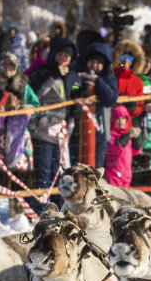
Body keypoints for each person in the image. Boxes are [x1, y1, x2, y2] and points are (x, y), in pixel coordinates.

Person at [28, 36, 82, 195]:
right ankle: (38, 209)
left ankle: (52, 208)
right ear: (54, 55)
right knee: (43, 174)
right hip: (42, 129)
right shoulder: (43, 71)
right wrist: (54, 76)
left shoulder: (73, 76)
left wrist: (76, 109)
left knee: (57, 174)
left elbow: (76, 94)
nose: (63, 59)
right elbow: (35, 94)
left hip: (62, 132)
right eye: (60, 55)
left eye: (66, 56)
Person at [77, 41, 119, 169]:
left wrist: (97, 81)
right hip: (78, 129)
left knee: (96, 168)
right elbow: (71, 90)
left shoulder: (109, 78)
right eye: (92, 62)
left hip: (100, 129)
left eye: (98, 63)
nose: (94, 66)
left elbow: (110, 99)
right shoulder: (78, 75)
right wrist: (80, 83)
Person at [104, 105, 140, 187]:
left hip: (127, 176)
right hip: (113, 175)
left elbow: (136, 151)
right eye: (118, 119)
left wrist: (136, 138)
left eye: (123, 118)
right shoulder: (110, 136)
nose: (121, 122)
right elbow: (117, 147)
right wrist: (128, 135)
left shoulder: (126, 136)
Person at [113, 40, 145, 118]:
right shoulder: (111, 75)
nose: (126, 61)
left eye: (130, 58)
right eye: (123, 57)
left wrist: (132, 108)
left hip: (128, 120)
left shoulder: (138, 82)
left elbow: (140, 106)